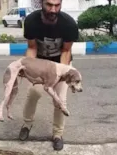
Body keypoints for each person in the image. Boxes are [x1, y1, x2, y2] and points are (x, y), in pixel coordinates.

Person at [19, 0, 79, 151]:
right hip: (41, 65)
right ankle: (26, 125)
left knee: (60, 100)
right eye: (49, 5)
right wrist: (29, 68)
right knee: (34, 93)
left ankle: (57, 134)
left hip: (61, 64)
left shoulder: (69, 24)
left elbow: (66, 51)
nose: (53, 9)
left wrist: (62, 74)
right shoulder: (32, 21)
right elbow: (32, 47)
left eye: (57, 5)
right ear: (41, 3)